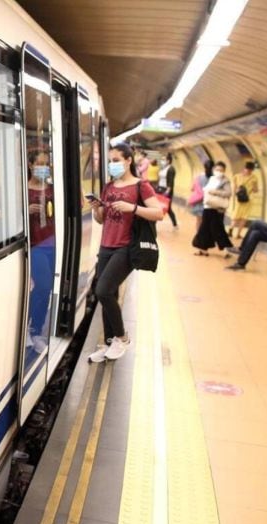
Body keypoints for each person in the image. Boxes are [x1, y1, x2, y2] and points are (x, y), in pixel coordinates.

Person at [87, 143, 164, 362]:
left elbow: (158, 213)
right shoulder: (108, 187)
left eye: (116, 160)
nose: (113, 165)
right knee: (107, 294)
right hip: (106, 245)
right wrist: (96, 208)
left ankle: (122, 337)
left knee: (103, 290)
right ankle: (110, 342)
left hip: (126, 247)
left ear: (128, 161)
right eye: (110, 161)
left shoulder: (141, 186)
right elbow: (102, 219)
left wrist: (133, 208)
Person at [27, 149, 55, 354]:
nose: (44, 168)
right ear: (30, 165)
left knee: (46, 289)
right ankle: (31, 327)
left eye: (47, 164)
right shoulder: (23, 191)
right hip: (35, 245)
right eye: (40, 164)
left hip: (53, 246)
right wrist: (25, 211)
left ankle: (36, 330)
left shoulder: (54, 190)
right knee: (43, 285)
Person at [192, 161, 233, 256]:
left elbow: (228, 193)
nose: (218, 171)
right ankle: (202, 249)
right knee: (204, 228)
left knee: (218, 229)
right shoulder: (211, 179)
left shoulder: (225, 181)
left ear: (224, 171)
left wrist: (215, 192)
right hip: (207, 206)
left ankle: (226, 249)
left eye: (221, 170)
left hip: (217, 209)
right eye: (217, 169)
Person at [229, 161, 260, 239]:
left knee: (236, 216)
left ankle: (231, 231)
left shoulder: (237, 176)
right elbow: (255, 190)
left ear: (244, 168)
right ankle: (238, 234)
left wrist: (235, 195)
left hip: (239, 199)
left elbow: (234, 188)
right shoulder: (254, 178)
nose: (249, 171)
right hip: (248, 200)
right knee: (244, 217)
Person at [188, 160, 212, 229]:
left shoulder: (199, 177)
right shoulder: (214, 178)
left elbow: (192, 188)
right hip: (209, 202)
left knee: (198, 221)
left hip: (199, 202)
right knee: (207, 221)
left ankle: (199, 235)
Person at [158, 154, 178, 229]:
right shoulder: (164, 168)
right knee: (158, 206)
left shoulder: (171, 169)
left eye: (164, 159)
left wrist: (167, 192)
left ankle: (175, 224)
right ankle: (154, 223)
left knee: (168, 208)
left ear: (168, 160)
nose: (162, 161)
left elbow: (170, 182)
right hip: (160, 189)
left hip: (166, 190)